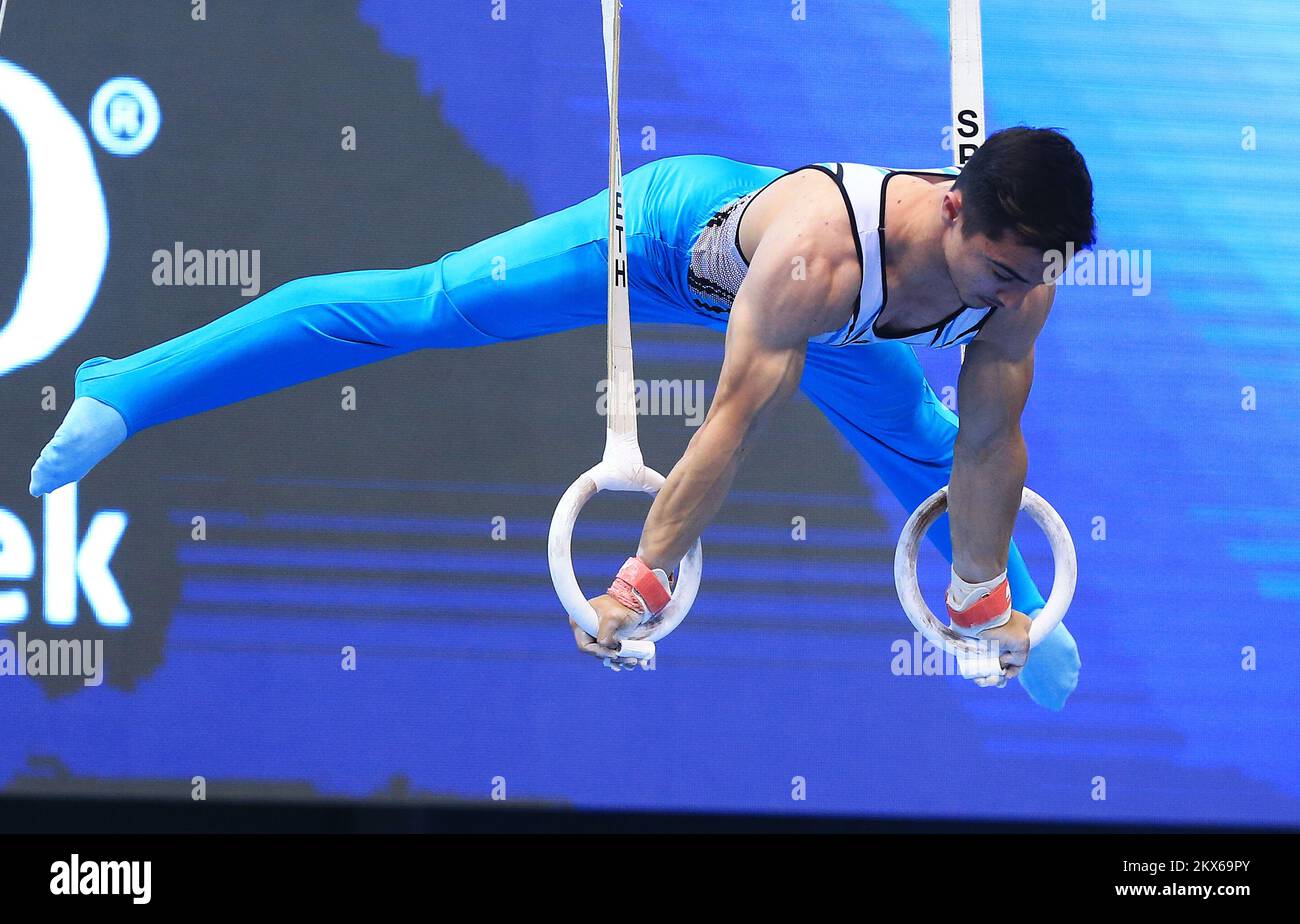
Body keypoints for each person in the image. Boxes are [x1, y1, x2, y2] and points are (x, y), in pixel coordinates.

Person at [29, 126, 1094, 709]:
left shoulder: (1020, 282)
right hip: (666, 243)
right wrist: (642, 578)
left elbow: (987, 442)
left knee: (925, 445)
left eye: (1027, 280)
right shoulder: (823, 254)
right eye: (997, 273)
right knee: (424, 304)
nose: (1008, 299)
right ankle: (127, 385)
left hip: (854, 334)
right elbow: (728, 425)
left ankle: (1008, 604)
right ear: (954, 205)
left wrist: (982, 598)